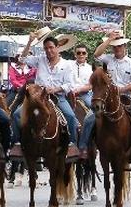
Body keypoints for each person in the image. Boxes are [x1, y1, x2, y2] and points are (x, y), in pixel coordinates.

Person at [78, 31, 131, 159]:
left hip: (126, 96)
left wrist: (120, 90)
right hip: (107, 97)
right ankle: (83, 147)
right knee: (89, 117)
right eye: (115, 46)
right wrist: (109, 39)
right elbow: (96, 54)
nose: (117, 48)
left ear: (124, 47)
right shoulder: (108, 59)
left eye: (120, 45)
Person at [10, 33, 80, 161]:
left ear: (57, 47)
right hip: (38, 97)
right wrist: (30, 41)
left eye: (51, 47)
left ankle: (72, 144)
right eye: (46, 48)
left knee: (70, 116)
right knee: (16, 115)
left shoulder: (68, 64)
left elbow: (70, 85)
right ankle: (17, 143)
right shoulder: (40, 60)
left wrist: (55, 89)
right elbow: (22, 59)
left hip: (57, 97)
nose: (49, 50)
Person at [70, 44, 93, 108]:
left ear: (86, 55)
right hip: (69, 93)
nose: (81, 54)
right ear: (75, 54)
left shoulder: (90, 68)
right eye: (78, 53)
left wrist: (79, 90)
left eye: (83, 53)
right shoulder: (68, 64)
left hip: (84, 94)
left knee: (95, 109)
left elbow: (90, 86)